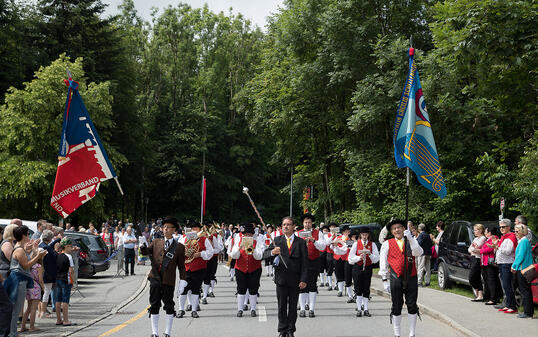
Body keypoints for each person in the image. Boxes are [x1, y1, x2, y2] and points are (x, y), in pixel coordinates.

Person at [140, 217, 186, 337]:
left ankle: (167, 332)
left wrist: (183, 281)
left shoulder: (180, 247)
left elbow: (182, 266)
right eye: (164, 227)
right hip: (155, 277)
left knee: (169, 305)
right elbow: (145, 252)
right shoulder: (156, 242)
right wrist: (142, 245)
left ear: (174, 230)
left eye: (168, 227)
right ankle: (154, 332)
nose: (165, 229)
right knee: (154, 304)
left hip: (168, 280)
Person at [379, 219, 423, 337]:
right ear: (392, 231)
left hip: (411, 277)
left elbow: (419, 252)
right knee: (397, 305)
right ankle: (397, 333)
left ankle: (412, 333)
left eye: (399, 227)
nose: (397, 230)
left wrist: (411, 239)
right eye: (394, 228)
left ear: (404, 229)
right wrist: (384, 280)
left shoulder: (410, 241)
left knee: (412, 305)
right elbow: (383, 262)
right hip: (395, 277)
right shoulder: (387, 243)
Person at [264, 216, 307, 337]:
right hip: (281, 279)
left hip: (295, 279)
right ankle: (282, 330)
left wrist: (304, 279)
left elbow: (305, 263)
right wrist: (273, 252)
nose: (286, 227)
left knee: (293, 307)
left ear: (294, 227)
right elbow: (265, 254)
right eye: (284, 225)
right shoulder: (276, 240)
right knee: (281, 306)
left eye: (288, 224)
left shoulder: (301, 242)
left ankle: (290, 330)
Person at [5, 225, 47, 337]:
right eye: (28, 234)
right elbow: (26, 265)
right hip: (18, 280)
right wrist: (38, 255)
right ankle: (12, 333)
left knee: (16, 308)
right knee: (16, 309)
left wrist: (31, 250)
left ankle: (12, 332)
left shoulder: (20, 248)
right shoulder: (19, 249)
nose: (29, 236)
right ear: (23, 235)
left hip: (19, 280)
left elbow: (25, 261)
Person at [177, 221, 213, 318]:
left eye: (196, 229)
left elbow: (210, 253)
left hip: (199, 268)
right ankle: (181, 309)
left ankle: (194, 310)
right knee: (183, 289)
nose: (194, 230)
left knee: (195, 289)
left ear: (199, 229)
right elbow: (177, 250)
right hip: (185, 268)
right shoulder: (183, 238)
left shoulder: (204, 239)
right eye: (193, 229)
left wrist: (200, 254)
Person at [230, 223, 265, 317]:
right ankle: (240, 309)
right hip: (240, 269)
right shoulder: (238, 241)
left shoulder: (257, 242)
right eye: (246, 234)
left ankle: (253, 309)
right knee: (241, 289)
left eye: (249, 234)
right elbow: (234, 256)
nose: (247, 236)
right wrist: (239, 247)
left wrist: (252, 248)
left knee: (253, 289)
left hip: (255, 269)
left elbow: (259, 257)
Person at [296, 213, 326, 318]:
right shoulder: (298, 233)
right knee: (301, 285)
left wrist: (314, 241)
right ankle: (303, 309)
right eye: (305, 222)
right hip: (301, 262)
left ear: (312, 223)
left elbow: (322, 246)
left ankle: (312, 309)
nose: (307, 224)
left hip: (314, 261)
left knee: (312, 284)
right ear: (303, 223)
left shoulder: (318, 233)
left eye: (309, 222)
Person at [348, 227, 379, 317]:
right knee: (358, 288)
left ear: (368, 235)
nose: (364, 236)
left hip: (368, 267)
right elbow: (350, 258)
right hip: (357, 268)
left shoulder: (372, 244)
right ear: (360, 235)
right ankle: (359, 309)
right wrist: (359, 257)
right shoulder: (355, 244)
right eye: (363, 235)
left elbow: (376, 259)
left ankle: (365, 309)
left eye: (366, 235)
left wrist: (370, 254)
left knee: (366, 288)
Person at [492, 219, 517, 314]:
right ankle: (508, 304)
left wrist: (498, 246)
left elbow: (508, 251)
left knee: (507, 285)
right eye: (500, 227)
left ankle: (512, 306)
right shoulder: (504, 237)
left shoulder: (511, 237)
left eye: (503, 227)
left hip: (507, 263)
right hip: (502, 263)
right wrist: (495, 247)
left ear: (508, 227)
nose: (501, 229)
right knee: (505, 285)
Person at [511, 224, 534, 318]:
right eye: (515, 231)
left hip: (523, 268)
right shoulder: (523, 241)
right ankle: (528, 311)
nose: (515, 233)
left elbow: (520, 256)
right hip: (523, 268)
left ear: (522, 231)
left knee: (525, 290)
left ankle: (527, 312)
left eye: (517, 231)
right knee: (525, 290)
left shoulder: (523, 241)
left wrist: (514, 266)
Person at [38, 230, 61, 318]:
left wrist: (57, 240)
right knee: (46, 292)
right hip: (47, 273)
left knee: (41, 293)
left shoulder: (41, 246)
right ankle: (43, 312)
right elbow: (52, 257)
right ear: (50, 238)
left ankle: (40, 311)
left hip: (41, 272)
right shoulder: (46, 249)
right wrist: (56, 250)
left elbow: (49, 247)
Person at [20, 255, 43, 333]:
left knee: (28, 308)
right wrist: (43, 288)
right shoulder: (38, 266)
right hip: (36, 286)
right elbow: (40, 279)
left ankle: (23, 326)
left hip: (28, 286)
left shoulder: (28, 266)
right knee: (33, 308)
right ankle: (32, 327)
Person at [55, 237, 75, 326]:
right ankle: (66, 320)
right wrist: (73, 281)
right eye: (70, 247)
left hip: (57, 279)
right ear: (66, 246)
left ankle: (58, 319)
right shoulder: (69, 257)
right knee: (65, 300)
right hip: (65, 279)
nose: (71, 249)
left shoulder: (57, 255)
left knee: (58, 300)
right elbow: (71, 271)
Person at [480, 225, 502, 305]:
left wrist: (481, 250)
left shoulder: (494, 238)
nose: (485, 233)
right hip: (486, 263)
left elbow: (489, 249)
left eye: (485, 232)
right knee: (488, 281)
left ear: (489, 233)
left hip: (490, 263)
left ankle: (494, 298)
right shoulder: (488, 239)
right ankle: (489, 296)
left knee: (491, 281)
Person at [201, 223, 222, 304]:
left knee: (210, 276)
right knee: (198, 278)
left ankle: (205, 296)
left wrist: (211, 250)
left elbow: (218, 249)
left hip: (211, 259)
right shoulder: (198, 237)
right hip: (201, 259)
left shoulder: (214, 237)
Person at [332, 225, 353, 301]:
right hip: (338, 257)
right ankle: (340, 290)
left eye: (348, 231)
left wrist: (342, 242)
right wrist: (335, 243)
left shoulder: (350, 239)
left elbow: (349, 246)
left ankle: (349, 292)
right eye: (346, 231)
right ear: (343, 232)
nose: (347, 233)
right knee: (339, 273)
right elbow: (332, 246)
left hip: (346, 258)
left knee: (347, 274)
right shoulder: (338, 238)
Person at [468, 224, 486, 301]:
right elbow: (469, 249)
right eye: (474, 230)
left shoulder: (482, 238)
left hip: (477, 259)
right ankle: (480, 295)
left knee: (472, 277)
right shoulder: (475, 239)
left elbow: (476, 248)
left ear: (480, 230)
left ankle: (478, 293)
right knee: (476, 277)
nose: (474, 232)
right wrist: (473, 249)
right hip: (473, 258)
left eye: (475, 230)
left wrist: (473, 249)